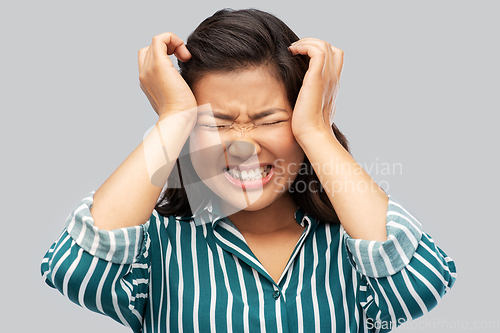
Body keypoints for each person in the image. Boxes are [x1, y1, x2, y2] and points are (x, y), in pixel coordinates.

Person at [41, 8, 457, 333]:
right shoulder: (158, 247)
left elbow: (419, 284)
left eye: (270, 119)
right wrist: (172, 118)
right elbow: (75, 269)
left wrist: (318, 128)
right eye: (216, 124)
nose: (241, 146)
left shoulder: (352, 246)